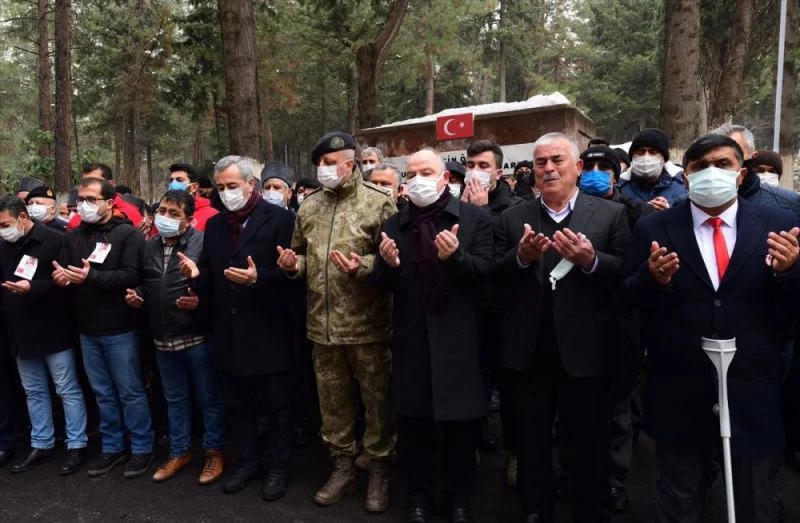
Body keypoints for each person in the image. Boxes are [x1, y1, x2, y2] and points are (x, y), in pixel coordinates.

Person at [620, 133, 800, 523]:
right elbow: (629, 297)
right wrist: (654, 281)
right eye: (700, 167)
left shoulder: (780, 224)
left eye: (723, 164)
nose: (711, 173)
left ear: (741, 175)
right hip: (680, 387)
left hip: (753, 386)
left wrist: (789, 274)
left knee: (755, 500)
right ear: (685, 177)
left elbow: (789, 312)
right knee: (680, 497)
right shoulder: (654, 228)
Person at [494, 132, 631, 522]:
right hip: (530, 349)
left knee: (589, 439)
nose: (548, 168)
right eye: (540, 163)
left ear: (578, 168)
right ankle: (536, 508)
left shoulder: (610, 215)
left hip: (587, 349)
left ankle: (589, 508)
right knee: (532, 438)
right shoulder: (512, 217)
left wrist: (591, 261)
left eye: (557, 160)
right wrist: (520, 258)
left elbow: (624, 273)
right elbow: (495, 278)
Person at [277, 131, 397, 513]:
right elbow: (302, 256)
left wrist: (360, 266)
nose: (325, 170)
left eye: (332, 163)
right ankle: (343, 466)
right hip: (322, 328)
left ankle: (379, 469)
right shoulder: (308, 208)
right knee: (333, 406)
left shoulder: (380, 204)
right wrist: (294, 265)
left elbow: (395, 264)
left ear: (352, 163)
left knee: (377, 403)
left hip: (368, 327)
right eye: (321, 165)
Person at [374, 149, 493, 523]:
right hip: (413, 341)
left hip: (460, 340)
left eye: (427, 172)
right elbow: (381, 282)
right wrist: (390, 267)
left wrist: (456, 259)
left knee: (460, 430)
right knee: (414, 428)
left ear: (445, 179)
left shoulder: (474, 219)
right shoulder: (396, 224)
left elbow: (488, 277)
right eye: (411, 174)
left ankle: (459, 499)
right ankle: (418, 499)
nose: (418, 179)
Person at [179, 156, 296, 501]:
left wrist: (261, 277)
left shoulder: (280, 220)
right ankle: (246, 463)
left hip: (269, 329)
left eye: (233, 185)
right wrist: (195, 282)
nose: (227, 192)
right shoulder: (215, 225)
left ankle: (278, 468)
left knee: (276, 408)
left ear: (251, 185)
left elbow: (295, 277)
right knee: (238, 406)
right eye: (221, 187)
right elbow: (211, 276)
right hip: (228, 332)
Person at [53, 177, 153, 478]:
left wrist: (90, 278)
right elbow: (65, 272)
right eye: (81, 199)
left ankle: (142, 448)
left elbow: (131, 276)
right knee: (103, 393)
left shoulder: (127, 235)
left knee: (130, 391)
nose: (84, 205)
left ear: (110, 202)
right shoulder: (72, 237)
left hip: (121, 328)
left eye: (91, 199)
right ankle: (112, 447)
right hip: (87, 329)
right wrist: (62, 280)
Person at [125, 190, 225, 485]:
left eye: (173, 214)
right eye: (162, 211)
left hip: (196, 338)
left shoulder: (203, 243)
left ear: (189, 220)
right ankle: (179, 452)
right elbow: (146, 282)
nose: (165, 218)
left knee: (209, 399)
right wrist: (138, 295)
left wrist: (200, 301)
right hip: (162, 339)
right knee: (175, 400)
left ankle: (214, 452)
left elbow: (215, 286)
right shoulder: (149, 246)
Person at [579, 145, 652, 512]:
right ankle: (576, 473)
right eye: (588, 166)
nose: (594, 172)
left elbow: (637, 271)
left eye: (602, 167)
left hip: (620, 321)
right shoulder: (570, 209)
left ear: (615, 173)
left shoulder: (635, 213)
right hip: (577, 321)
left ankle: (615, 478)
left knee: (618, 408)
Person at [0, 196, 88, 475]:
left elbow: (64, 282)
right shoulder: (3, 245)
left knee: (66, 388)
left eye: (5, 224)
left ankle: (77, 444)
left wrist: (33, 288)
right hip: (20, 331)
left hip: (53, 327)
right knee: (34, 391)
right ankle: (42, 442)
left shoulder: (54, 240)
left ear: (22, 219)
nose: (3, 230)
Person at [462, 139, 523, 461]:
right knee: (473, 377)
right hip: (467, 310)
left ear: (498, 173)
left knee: (509, 382)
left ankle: (514, 450)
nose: (475, 173)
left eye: (483, 167)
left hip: (503, 311)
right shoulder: (456, 204)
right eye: (470, 166)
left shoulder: (514, 208)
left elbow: (500, 260)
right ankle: (475, 433)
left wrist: (481, 211)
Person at [618, 128, 686, 208]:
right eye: (640, 151)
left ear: (663, 158)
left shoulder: (683, 185)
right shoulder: (619, 187)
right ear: (632, 157)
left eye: (653, 152)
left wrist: (669, 214)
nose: (646, 156)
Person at [66, 164, 143, 230]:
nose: (88, 186)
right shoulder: (76, 220)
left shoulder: (131, 214)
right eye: (85, 182)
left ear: (110, 184)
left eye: (94, 181)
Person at [167, 163, 219, 231]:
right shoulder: (164, 212)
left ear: (194, 187)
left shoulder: (212, 215)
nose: (173, 184)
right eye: (171, 180)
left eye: (179, 180)